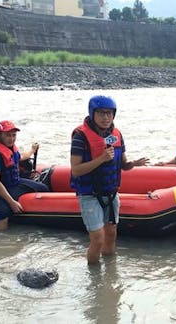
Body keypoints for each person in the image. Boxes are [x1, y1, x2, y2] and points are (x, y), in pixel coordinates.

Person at [70, 95, 148, 265]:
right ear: (92, 113)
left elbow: (124, 165)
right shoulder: (80, 137)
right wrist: (100, 159)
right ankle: (94, 278)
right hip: (89, 194)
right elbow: (76, 170)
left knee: (111, 235)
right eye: (101, 113)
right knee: (97, 239)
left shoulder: (117, 134)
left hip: (111, 192)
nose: (106, 117)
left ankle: (111, 275)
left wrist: (133, 163)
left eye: (109, 113)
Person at [0, 120, 49, 231]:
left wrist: (32, 150)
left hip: (14, 183)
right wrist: (12, 202)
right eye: (8, 135)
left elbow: (20, 157)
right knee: (3, 213)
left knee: (43, 188)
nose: (11, 138)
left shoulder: (9, 146)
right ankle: (0, 242)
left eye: (14, 135)